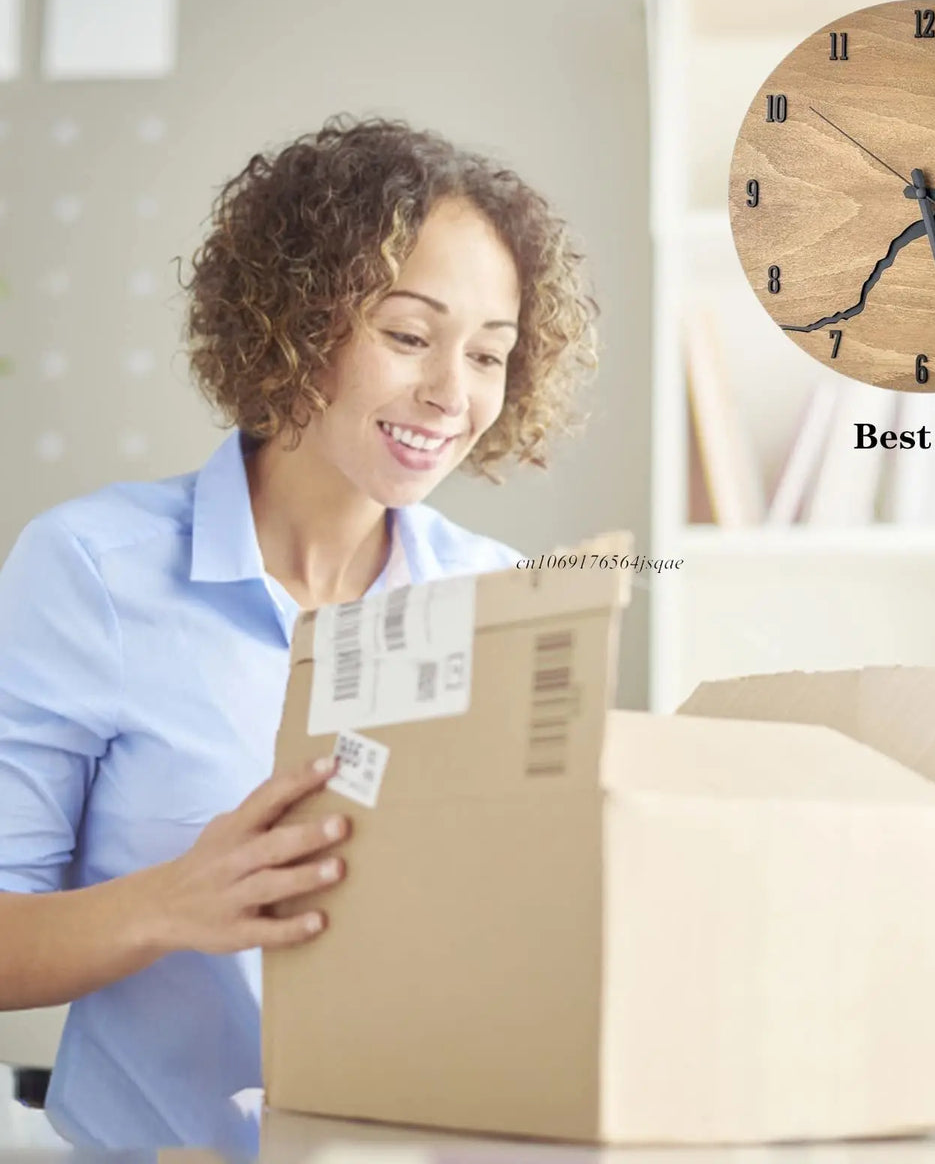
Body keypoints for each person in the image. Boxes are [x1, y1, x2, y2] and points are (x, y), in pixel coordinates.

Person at [0, 116, 598, 1152]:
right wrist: (169, 904)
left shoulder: (498, 597)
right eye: (407, 336)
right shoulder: (93, 571)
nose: (452, 395)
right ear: (295, 319)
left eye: (488, 355)